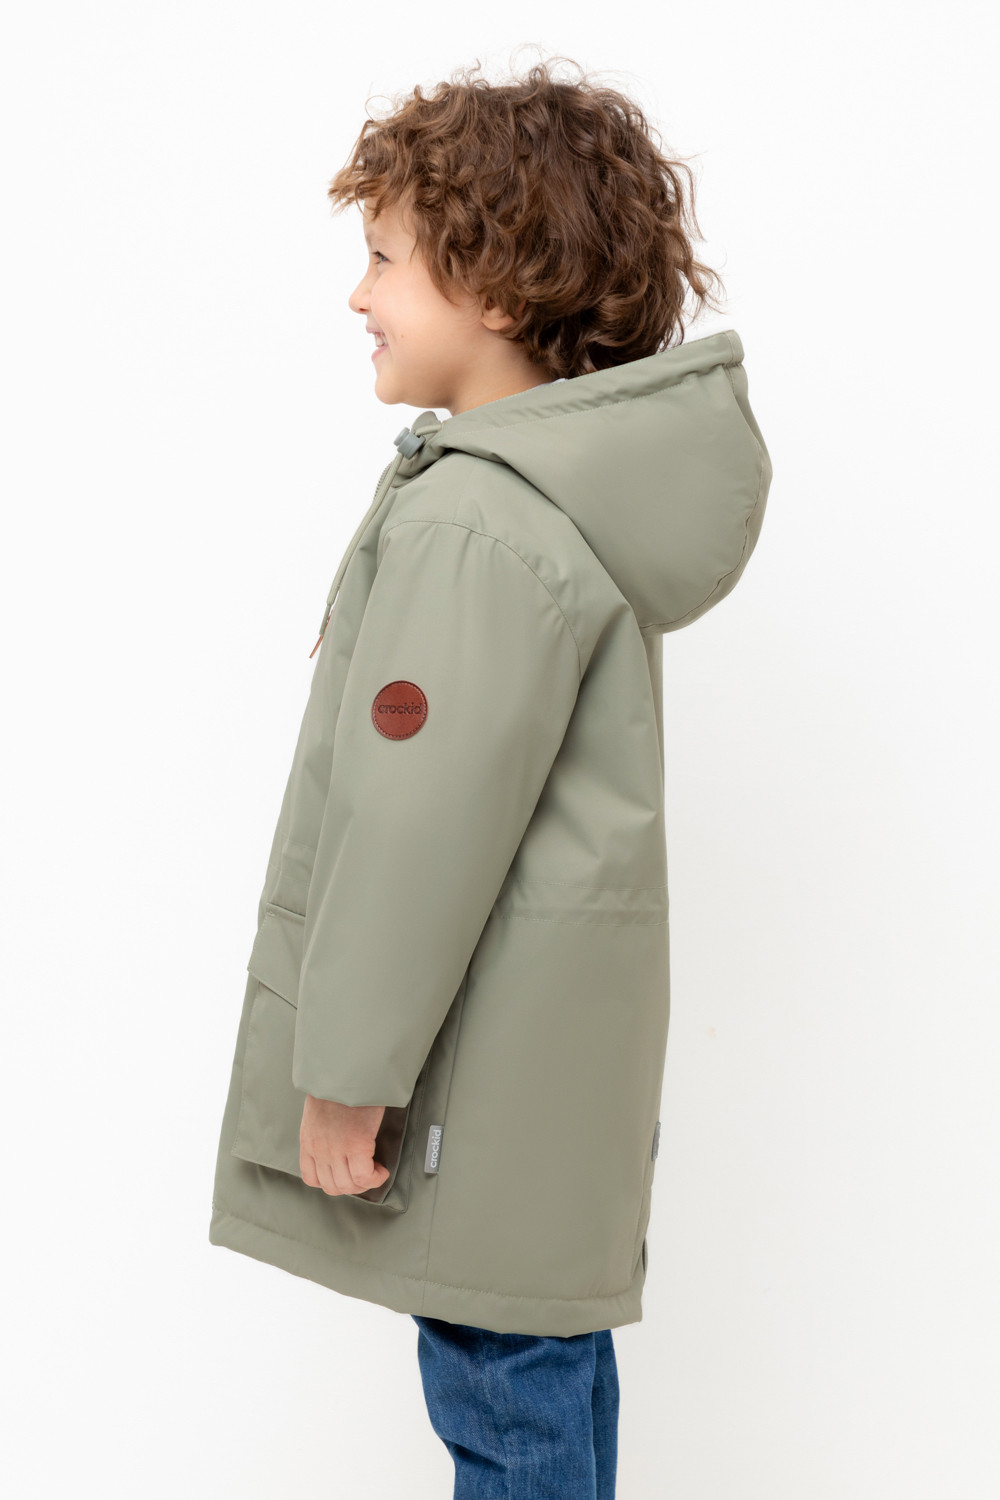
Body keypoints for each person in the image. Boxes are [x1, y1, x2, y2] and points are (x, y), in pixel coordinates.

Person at [208, 52, 772, 1498]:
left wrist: (346, 1073)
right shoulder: (556, 507)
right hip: (545, 1085)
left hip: (477, 1088)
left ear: (500, 290)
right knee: (542, 1383)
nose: (358, 295)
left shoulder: (479, 523)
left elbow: (417, 828)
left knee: (508, 1411)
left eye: (385, 259)